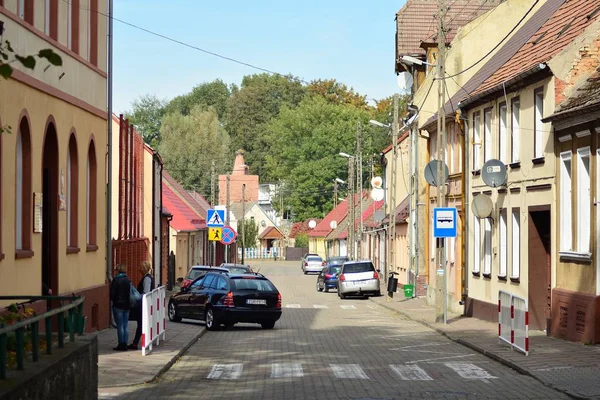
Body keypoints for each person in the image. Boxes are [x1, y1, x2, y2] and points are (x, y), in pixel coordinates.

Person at [128, 261, 155, 350]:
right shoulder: (147, 277)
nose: (139, 269)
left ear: (144, 269)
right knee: (141, 323)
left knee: (140, 323)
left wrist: (138, 297)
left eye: (141, 268)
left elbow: (146, 292)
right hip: (144, 304)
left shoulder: (147, 278)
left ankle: (136, 343)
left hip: (143, 304)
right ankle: (136, 342)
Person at [110, 264, 131, 351]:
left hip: (118, 305)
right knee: (125, 325)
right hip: (127, 305)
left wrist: (113, 300)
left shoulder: (116, 280)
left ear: (118, 270)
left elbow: (112, 294)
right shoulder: (127, 280)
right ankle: (125, 344)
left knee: (120, 325)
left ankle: (121, 344)